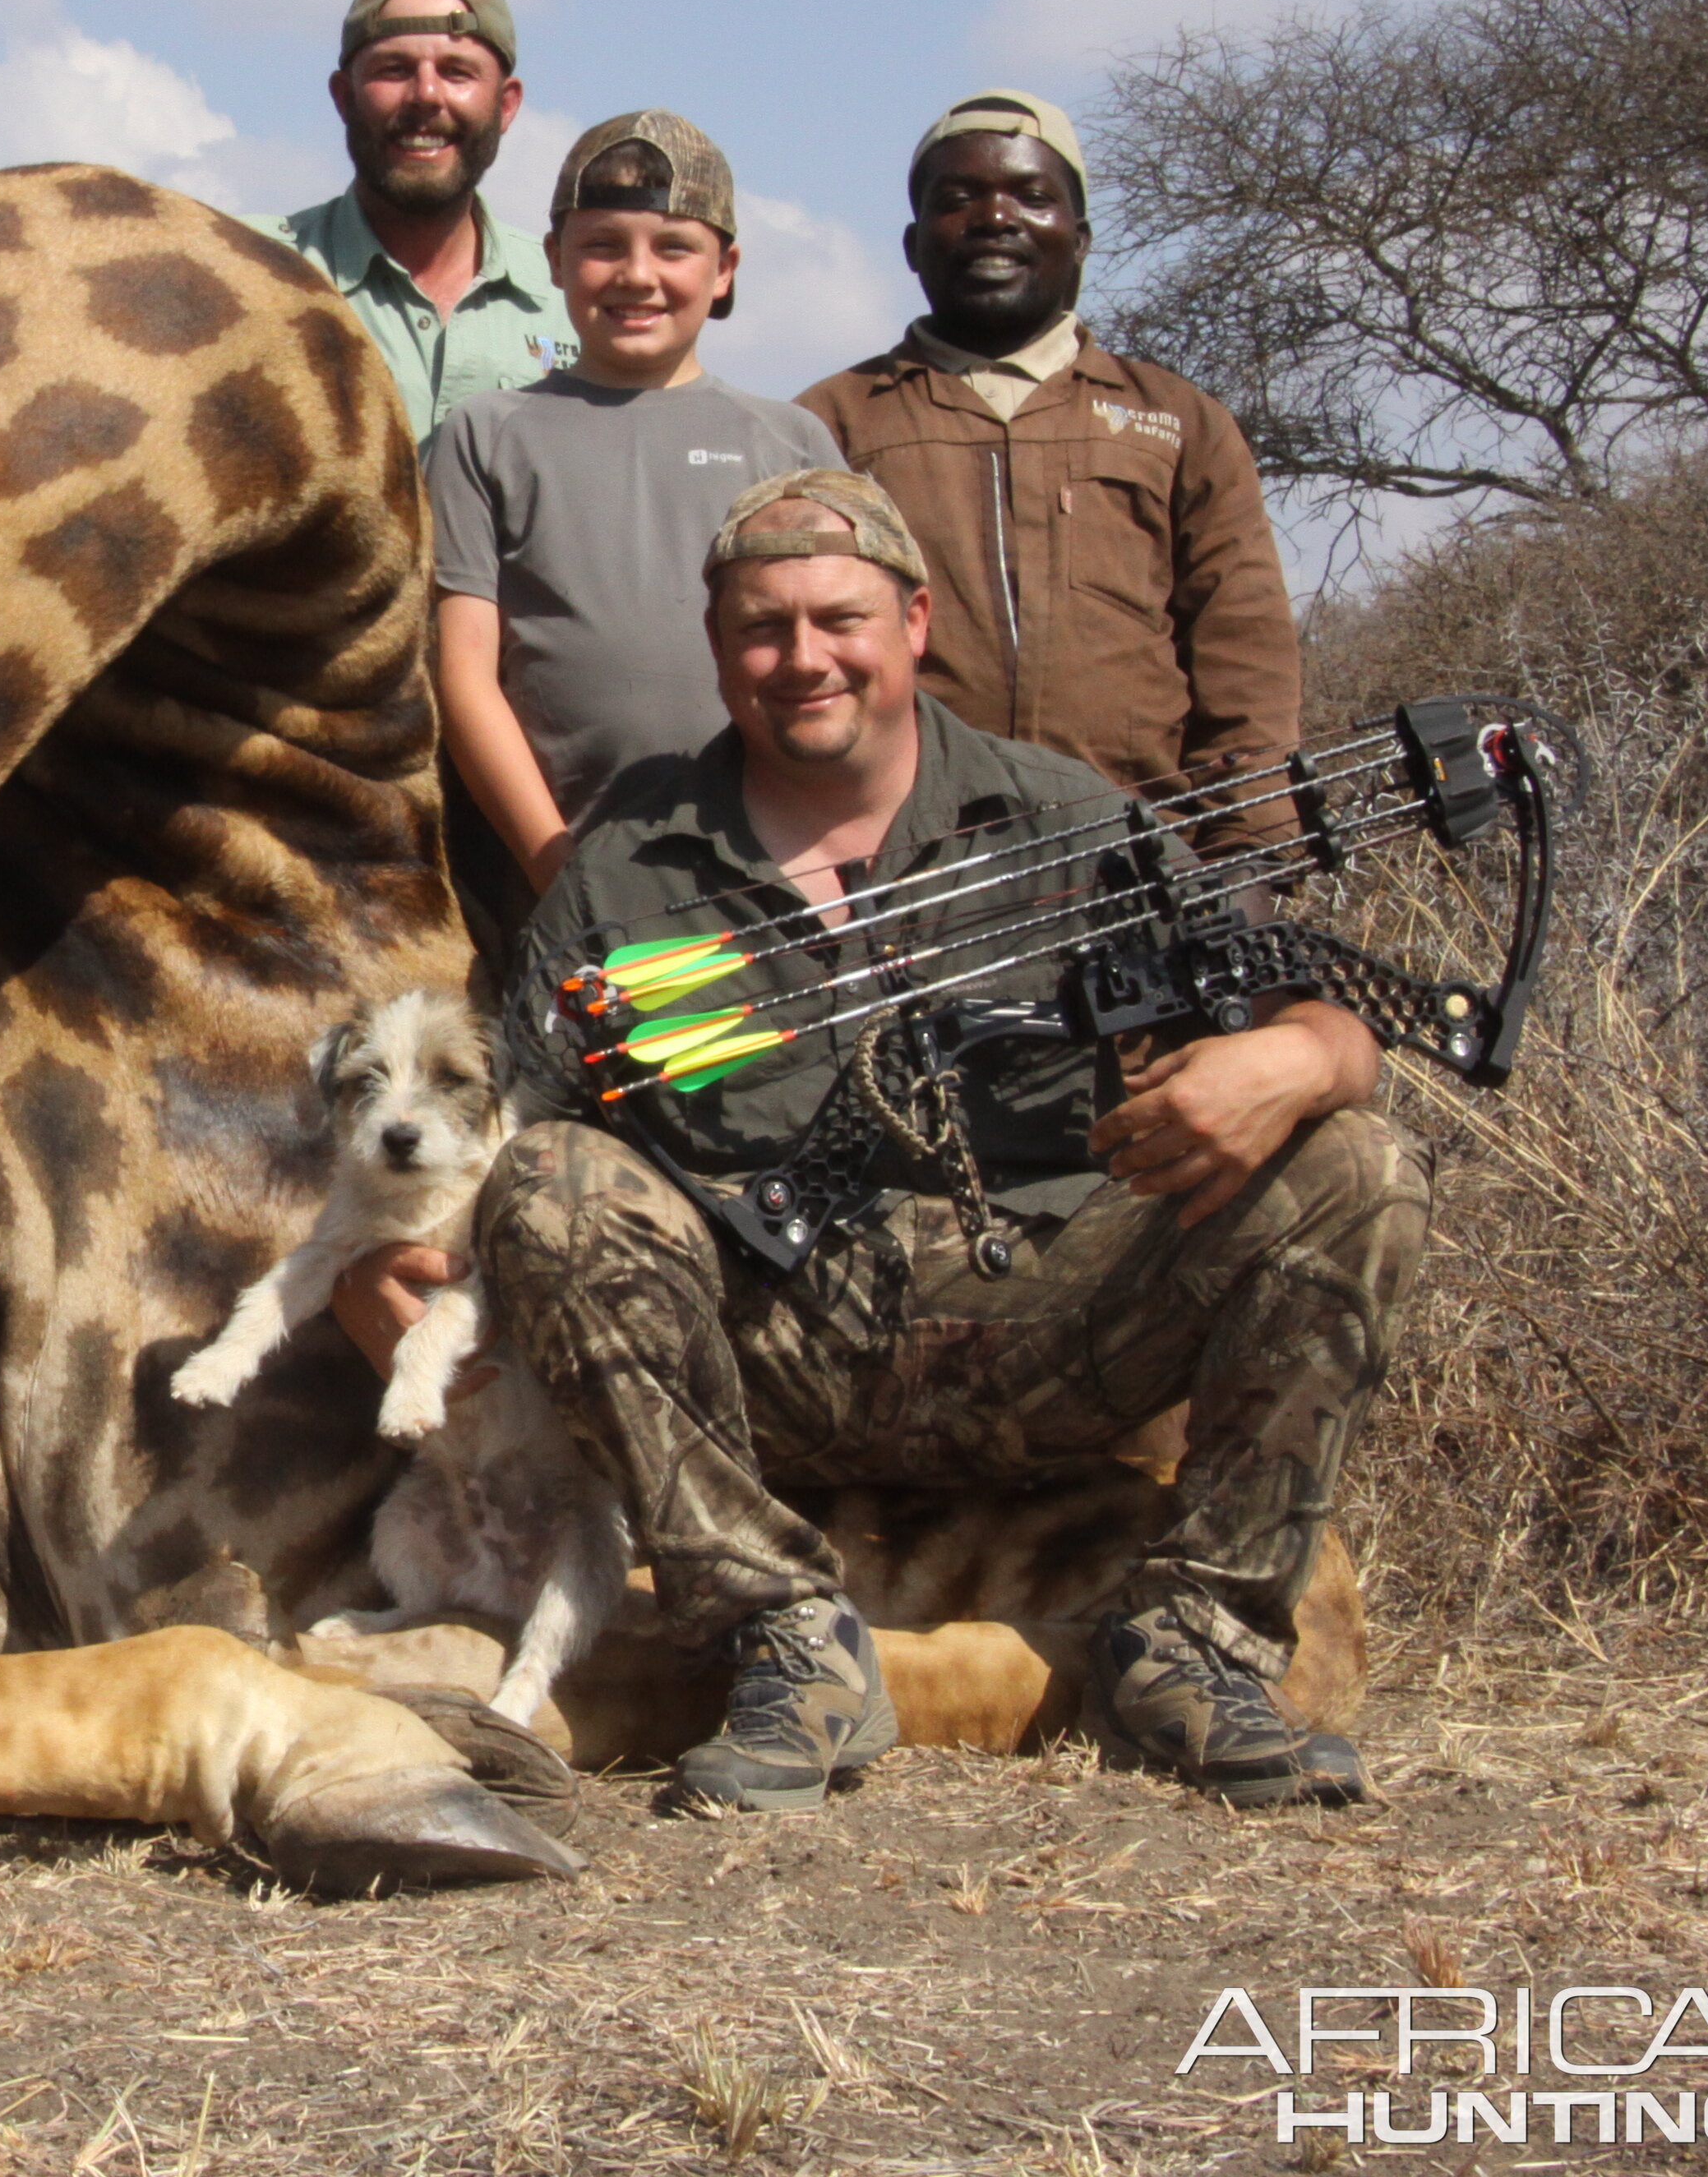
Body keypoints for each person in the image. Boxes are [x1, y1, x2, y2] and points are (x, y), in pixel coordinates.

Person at [346, 469, 1425, 1815]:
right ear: (717, 647)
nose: (801, 657)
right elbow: (514, 1109)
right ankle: (780, 1637)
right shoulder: (630, 857)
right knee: (551, 1186)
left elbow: (1317, 997)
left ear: (912, 622)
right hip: (761, 1356)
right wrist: (374, 1266)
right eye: (760, 627)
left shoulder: (1063, 818)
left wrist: (1302, 1054)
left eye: (836, 618)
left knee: (1354, 1163)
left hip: (1046, 1330)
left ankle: (1195, 1645)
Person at [796, 90, 1302, 838]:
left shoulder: (1180, 421)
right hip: (907, 870)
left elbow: (1244, 652)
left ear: (1081, 237)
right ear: (911, 245)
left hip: (1143, 856)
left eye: (1032, 196)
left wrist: (1247, 849)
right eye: (959, 198)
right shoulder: (826, 424)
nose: (995, 219)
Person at [424, 112, 837, 911]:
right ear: (554, 259)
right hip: (547, 888)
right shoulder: (486, 434)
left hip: (771, 884)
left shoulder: (790, 441)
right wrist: (566, 885)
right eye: (603, 245)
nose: (638, 275)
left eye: (674, 247)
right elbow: (463, 674)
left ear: (726, 269)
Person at [252, 0, 569, 445]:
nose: (425, 95)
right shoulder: (252, 269)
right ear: (344, 97)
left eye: (457, 71)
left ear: (505, 105)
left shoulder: (574, 298)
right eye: (394, 70)